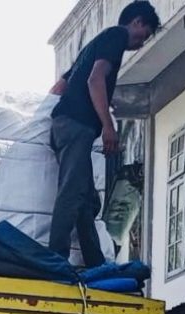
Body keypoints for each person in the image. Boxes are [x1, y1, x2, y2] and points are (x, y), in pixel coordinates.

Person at [48, 1, 161, 268]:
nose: (139, 44)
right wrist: (108, 126)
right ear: (137, 22)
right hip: (77, 125)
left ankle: (95, 262)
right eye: (143, 36)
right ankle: (54, 258)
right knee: (72, 191)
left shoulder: (91, 47)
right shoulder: (116, 37)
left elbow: (59, 87)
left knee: (87, 199)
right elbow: (95, 80)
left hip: (66, 125)